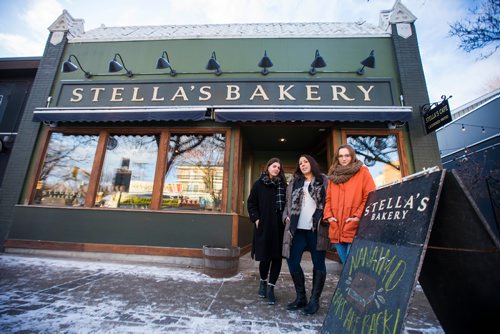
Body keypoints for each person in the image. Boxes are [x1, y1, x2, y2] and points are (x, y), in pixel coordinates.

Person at [282, 154, 329, 315]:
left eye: (306, 161)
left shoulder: (324, 180)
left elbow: (329, 202)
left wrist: (326, 217)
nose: (302, 164)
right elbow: (287, 205)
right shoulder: (295, 182)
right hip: (297, 230)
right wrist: (285, 217)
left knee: (319, 264)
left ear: (312, 163)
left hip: (316, 229)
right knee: (292, 261)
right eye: (300, 162)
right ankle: (301, 297)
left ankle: (314, 301)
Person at [323, 144, 376, 264]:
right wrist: (329, 217)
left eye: (347, 155)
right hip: (337, 227)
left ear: (352, 156)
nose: (344, 159)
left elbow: (371, 196)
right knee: (346, 265)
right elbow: (328, 199)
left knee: (352, 266)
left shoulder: (362, 172)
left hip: (355, 226)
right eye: (340, 156)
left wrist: (357, 217)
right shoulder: (333, 176)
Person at [247, 157, 287, 305]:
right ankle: (263, 282)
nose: (276, 169)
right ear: (268, 167)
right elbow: (251, 203)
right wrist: (256, 219)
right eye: (274, 166)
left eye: (278, 167)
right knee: (264, 258)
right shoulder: (258, 184)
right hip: (263, 226)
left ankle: (271, 288)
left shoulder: (283, 185)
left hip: (279, 227)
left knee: (277, 258)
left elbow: (287, 206)